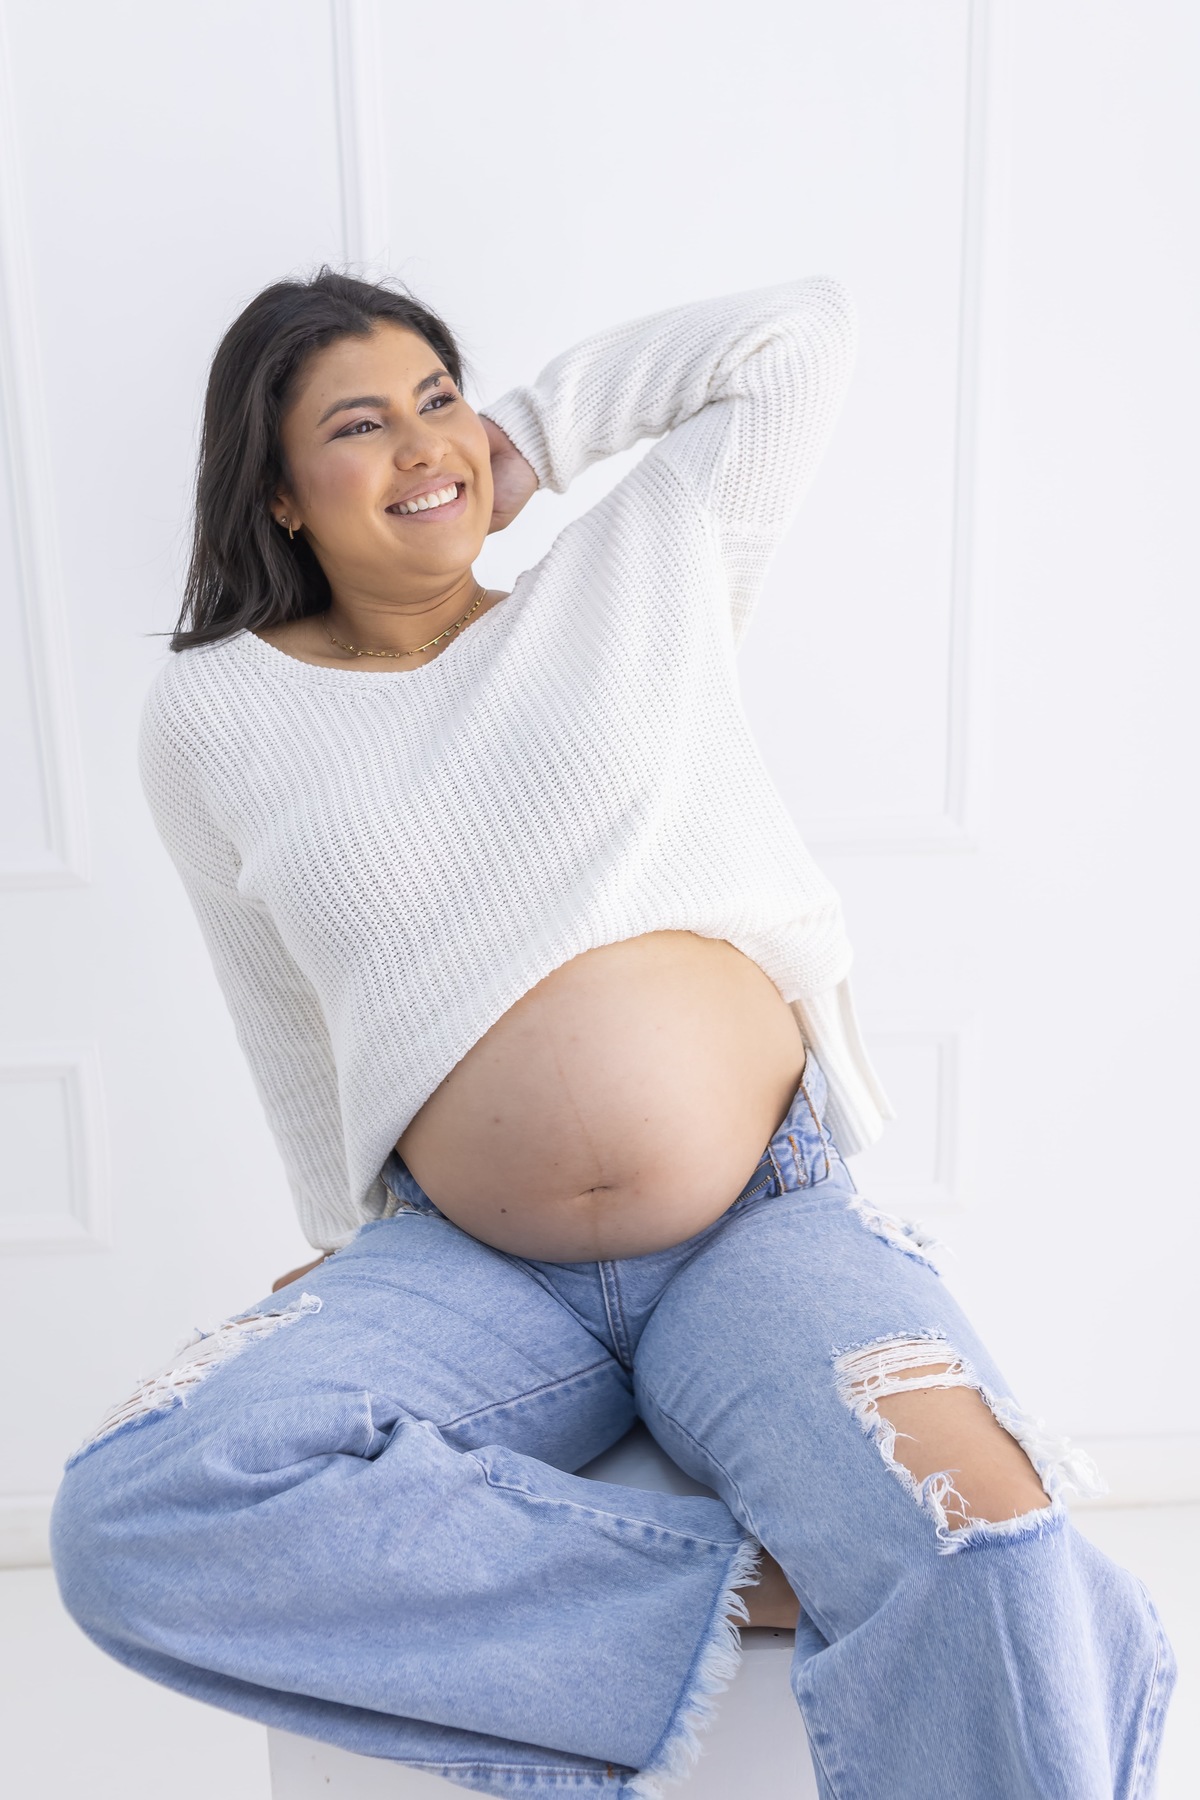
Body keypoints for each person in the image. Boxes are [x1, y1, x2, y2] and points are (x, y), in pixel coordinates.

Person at [50, 269, 1174, 1797]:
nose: (418, 447)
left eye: (434, 399)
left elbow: (794, 342)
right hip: (470, 1267)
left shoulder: (640, 572)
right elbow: (278, 1005)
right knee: (142, 1508)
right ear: (279, 493)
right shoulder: (212, 716)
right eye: (360, 428)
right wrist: (341, 1226)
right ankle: (738, 1583)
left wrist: (516, 438)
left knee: (984, 1538)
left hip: (754, 1234)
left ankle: (876, 1574)